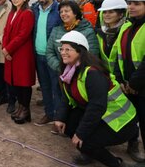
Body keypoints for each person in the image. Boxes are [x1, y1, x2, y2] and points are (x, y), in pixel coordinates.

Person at [53, 31, 137, 167]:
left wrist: (81, 133)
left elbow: (96, 107)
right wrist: (60, 117)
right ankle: (89, 152)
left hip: (121, 122)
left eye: (68, 49)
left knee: (85, 141)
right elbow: (66, 97)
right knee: (69, 125)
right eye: (61, 49)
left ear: (80, 52)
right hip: (103, 116)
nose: (63, 52)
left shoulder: (92, 73)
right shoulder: (69, 71)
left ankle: (115, 164)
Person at [46, 0, 99, 131]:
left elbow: (91, 53)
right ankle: (61, 121)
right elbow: (50, 52)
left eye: (67, 11)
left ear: (75, 13)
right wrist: (62, 68)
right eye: (61, 12)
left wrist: (74, 70)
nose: (63, 14)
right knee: (62, 97)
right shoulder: (57, 30)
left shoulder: (87, 31)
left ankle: (79, 127)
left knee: (79, 99)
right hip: (61, 72)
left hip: (80, 74)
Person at [113, 0, 145, 163]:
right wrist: (120, 80)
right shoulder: (126, 27)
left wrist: (133, 84)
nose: (131, 7)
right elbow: (117, 54)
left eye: (137, 3)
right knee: (131, 119)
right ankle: (133, 144)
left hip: (140, 86)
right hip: (127, 85)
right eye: (130, 3)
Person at [31, 0, 62, 127]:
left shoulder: (59, 10)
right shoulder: (35, 10)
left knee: (57, 88)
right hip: (38, 55)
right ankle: (49, 114)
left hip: (54, 57)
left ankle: (59, 119)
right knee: (45, 86)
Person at [2, 0, 35, 123]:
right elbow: (6, 31)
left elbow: (23, 35)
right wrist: (5, 48)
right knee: (15, 82)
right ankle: (21, 107)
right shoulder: (12, 13)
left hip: (22, 53)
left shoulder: (27, 13)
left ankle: (25, 110)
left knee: (24, 83)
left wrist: (8, 49)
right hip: (11, 53)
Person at [95, 0, 128, 72]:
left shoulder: (126, 31)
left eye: (111, 12)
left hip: (122, 78)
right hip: (107, 76)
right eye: (105, 12)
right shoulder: (99, 33)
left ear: (121, 14)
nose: (106, 15)